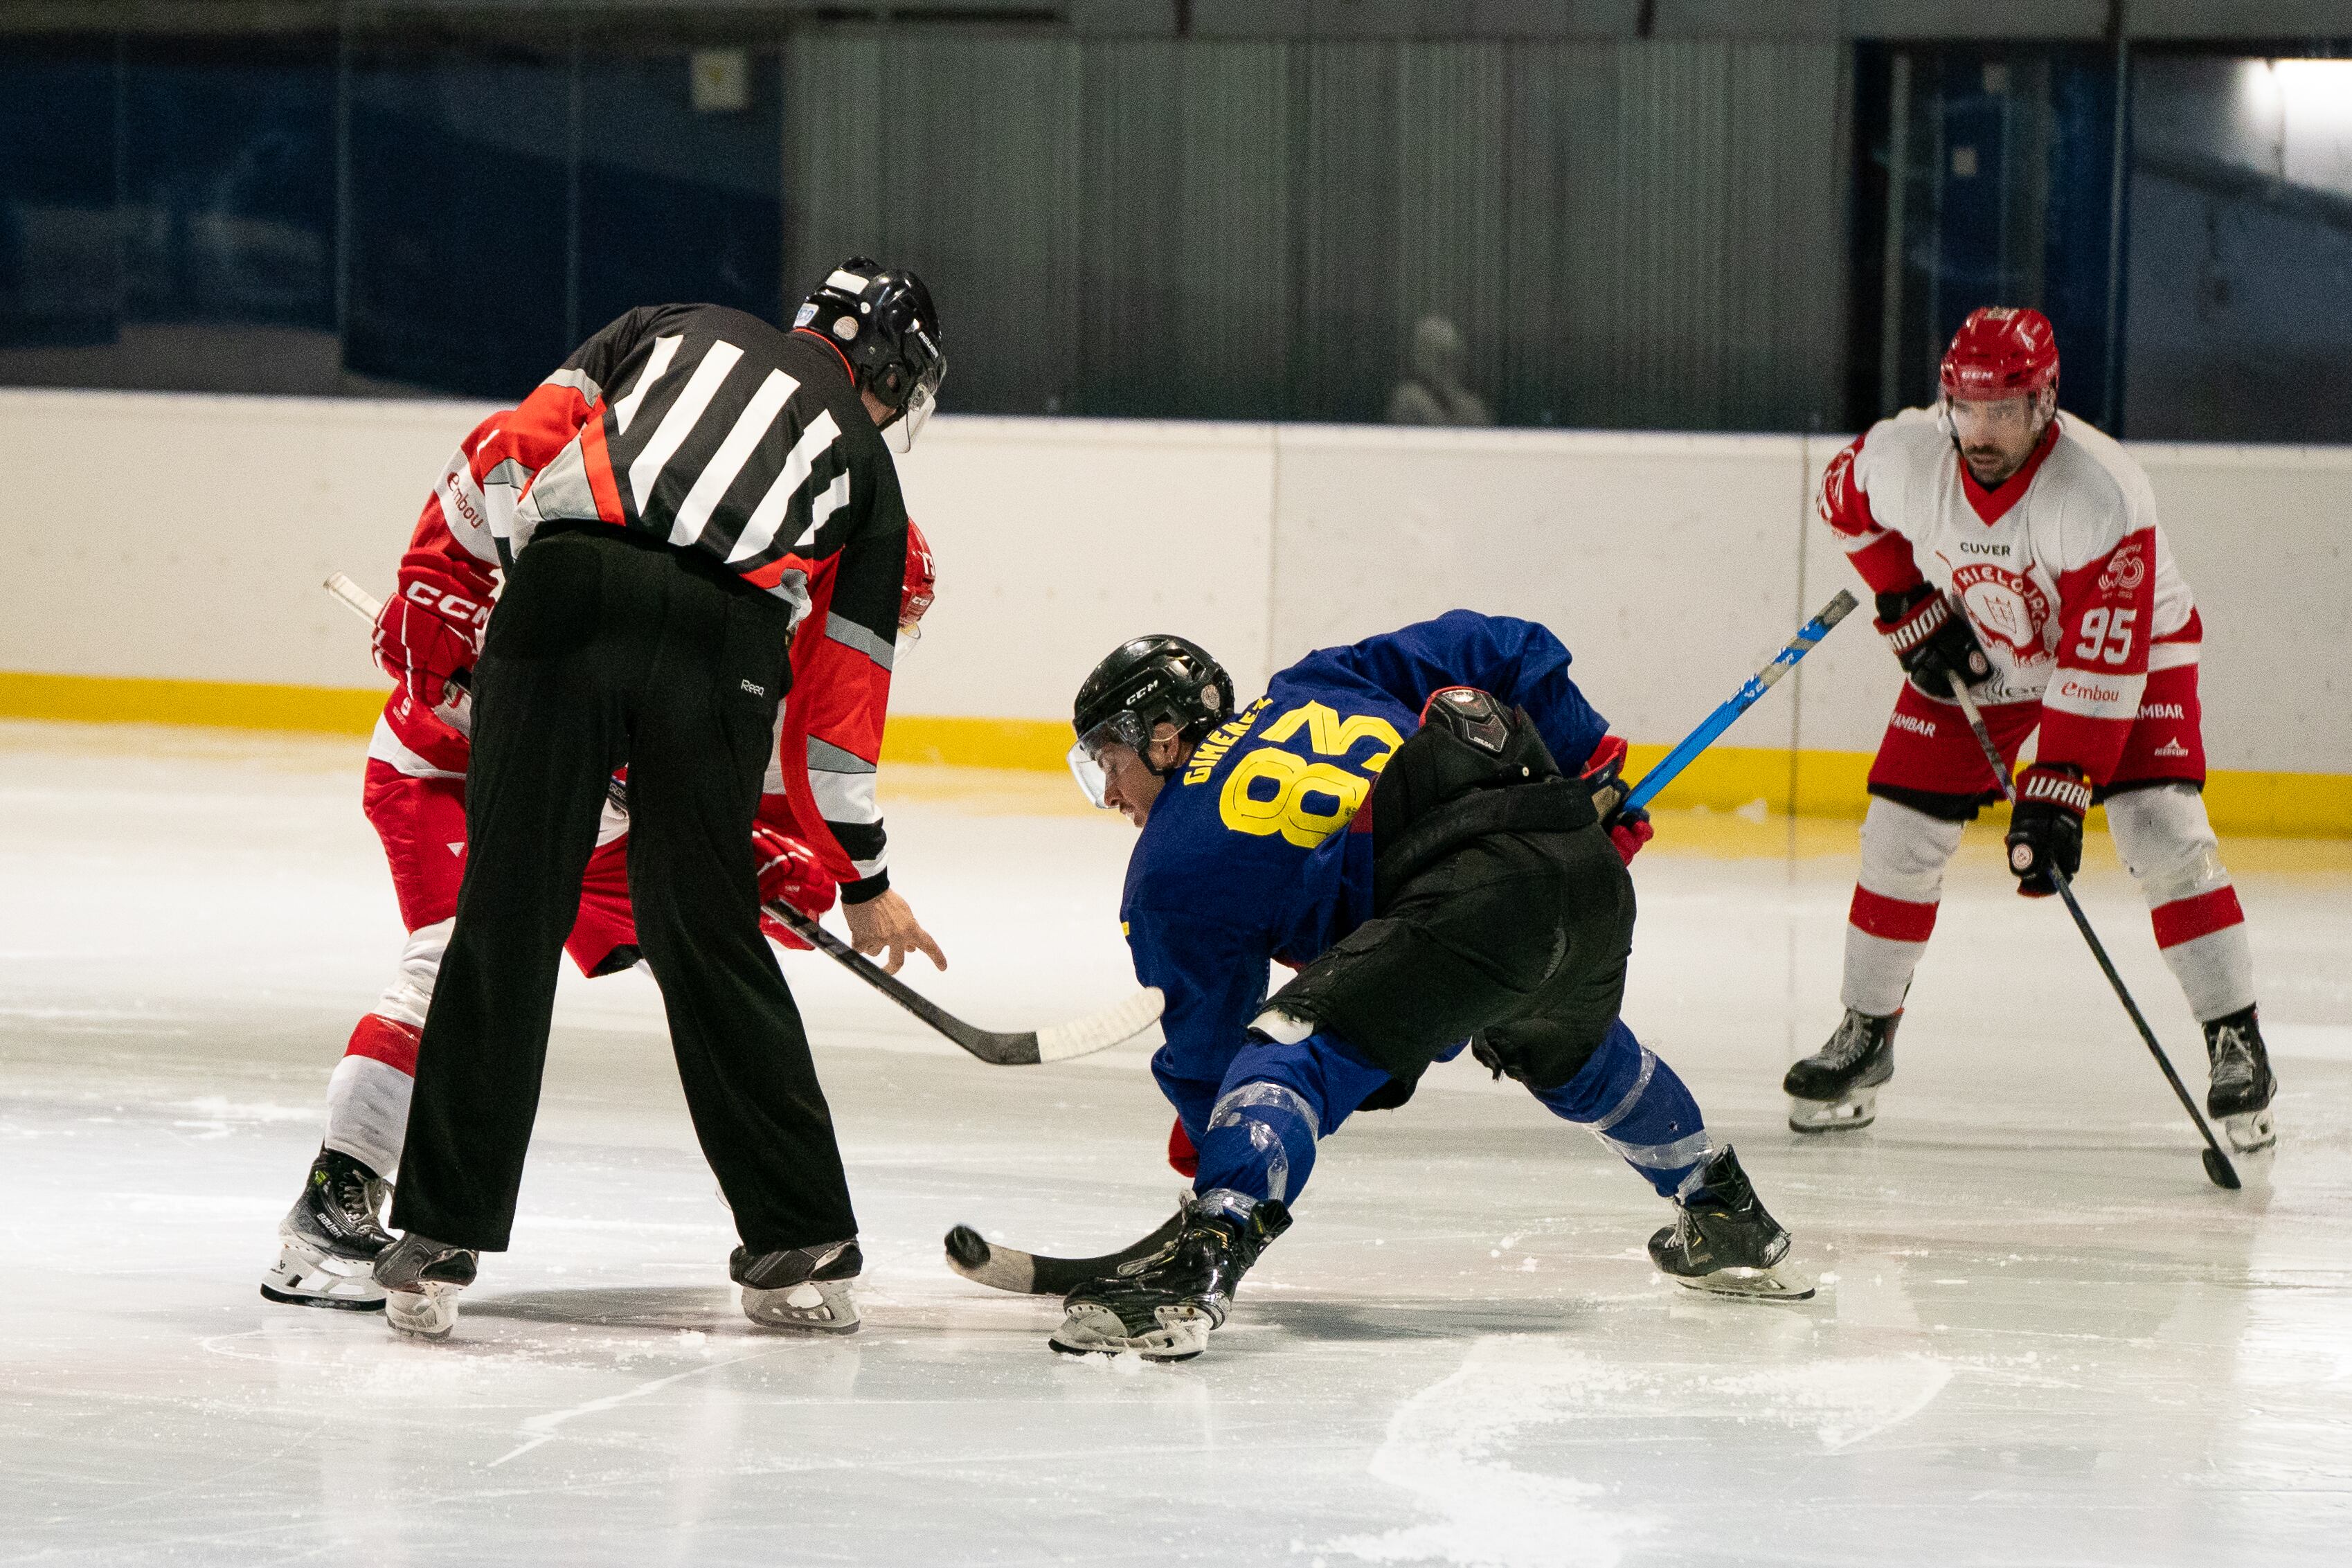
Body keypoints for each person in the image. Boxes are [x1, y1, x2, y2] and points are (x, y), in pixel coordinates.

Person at [370, 261, 946, 1340]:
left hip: (560, 593)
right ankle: (798, 1235)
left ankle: (438, 1234)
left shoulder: (666, 323)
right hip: (720, 644)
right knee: (708, 932)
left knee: (506, 912)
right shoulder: (868, 470)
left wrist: (468, 600)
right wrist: (862, 877)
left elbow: (514, 449)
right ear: (885, 366)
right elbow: (834, 716)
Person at [1049, 613, 1806, 1362]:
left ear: (1161, 735)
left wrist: (1220, 1158)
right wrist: (1586, 762)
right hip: (1582, 871)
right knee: (1571, 1052)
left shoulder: (1169, 868)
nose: (1110, 793)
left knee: (1286, 1050)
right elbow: (1504, 644)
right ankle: (1722, 1211)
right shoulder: (1318, 681)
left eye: (1106, 761)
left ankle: (1197, 1272)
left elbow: (1213, 1055)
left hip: (1465, 905)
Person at [1792, 306, 2274, 1152]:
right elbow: (1840, 501)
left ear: (2044, 401)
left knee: (2161, 827)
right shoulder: (1904, 457)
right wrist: (1906, 598)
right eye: (1966, 409)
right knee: (1896, 834)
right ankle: (1865, 1032)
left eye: (2003, 410)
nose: (1980, 431)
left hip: (2134, 649)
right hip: (1991, 641)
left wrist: (2060, 790)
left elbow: (2102, 657)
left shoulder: (2101, 492)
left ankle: (2235, 1040)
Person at [1385, 315, 1494, 427]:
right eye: (1442, 357)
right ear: (1421, 357)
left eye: (1453, 357)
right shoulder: (1409, 400)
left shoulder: (1471, 407)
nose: (1449, 365)